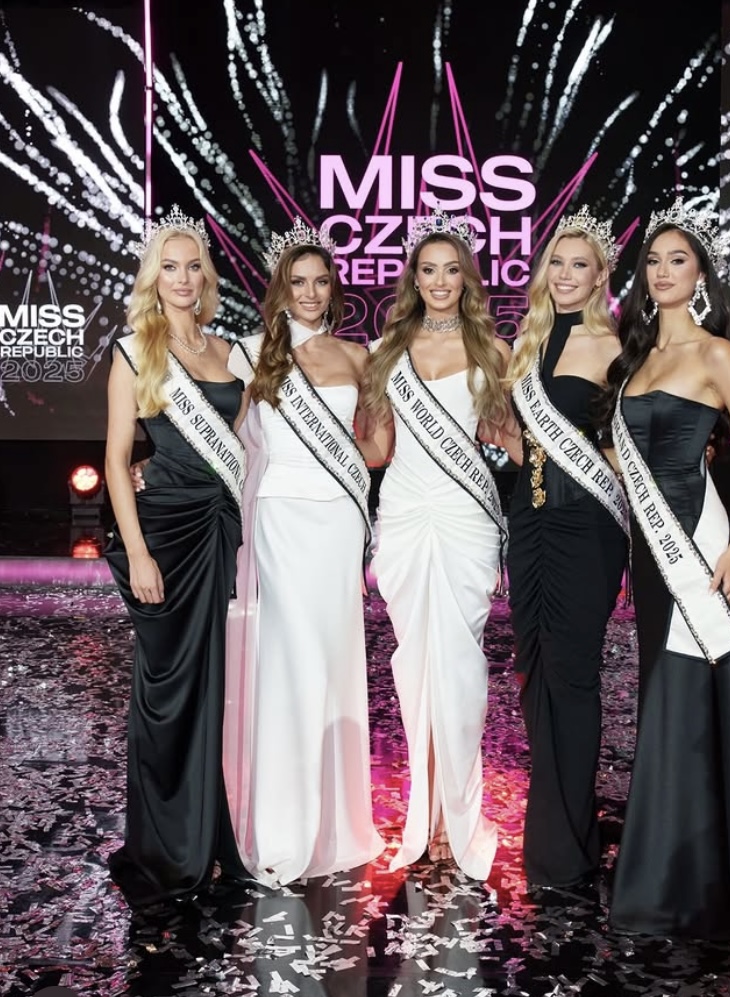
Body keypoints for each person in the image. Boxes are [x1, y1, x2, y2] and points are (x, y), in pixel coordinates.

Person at [602, 197, 730, 939]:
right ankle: (674, 867)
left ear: (700, 273)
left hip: (697, 545)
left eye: (678, 260)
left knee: (685, 697)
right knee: (658, 692)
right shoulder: (635, 358)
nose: (663, 271)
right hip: (649, 550)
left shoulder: (715, 354)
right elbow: (625, 458)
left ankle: (681, 880)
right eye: (653, 261)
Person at [222, 219, 384, 886]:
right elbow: (228, 438)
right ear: (281, 288)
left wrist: (336, 466)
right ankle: (282, 827)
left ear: (333, 289)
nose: (310, 293)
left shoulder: (357, 357)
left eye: (320, 282)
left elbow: (377, 447)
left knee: (332, 657)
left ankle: (333, 825)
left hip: (336, 519)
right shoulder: (251, 355)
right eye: (298, 282)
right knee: (289, 661)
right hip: (279, 517)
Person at [104, 205, 247, 907]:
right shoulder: (135, 350)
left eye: (193, 266)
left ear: (205, 276)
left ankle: (208, 835)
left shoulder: (229, 351)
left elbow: (249, 440)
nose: (183, 278)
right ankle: (163, 844)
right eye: (170, 267)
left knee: (214, 685)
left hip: (220, 528)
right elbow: (115, 458)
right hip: (165, 535)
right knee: (166, 690)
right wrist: (136, 552)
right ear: (153, 277)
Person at [361, 211, 511, 880]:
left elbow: (508, 437)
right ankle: (422, 814)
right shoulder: (384, 350)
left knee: (459, 666)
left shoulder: (493, 350)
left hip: (464, 517)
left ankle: (458, 813)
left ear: (466, 278)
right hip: (404, 514)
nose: (441, 281)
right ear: (414, 279)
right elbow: (377, 448)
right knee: (414, 665)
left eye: (452, 270)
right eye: (429, 270)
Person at [501, 208, 630, 890]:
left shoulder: (615, 346)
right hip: (529, 524)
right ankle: (554, 827)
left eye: (580, 264)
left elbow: (623, 447)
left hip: (587, 528)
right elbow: (525, 446)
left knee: (573, 678)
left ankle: (569, 842)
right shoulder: (528, 341)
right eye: (557, 262)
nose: (566, 274)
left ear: (601, 275)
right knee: (535, 674)